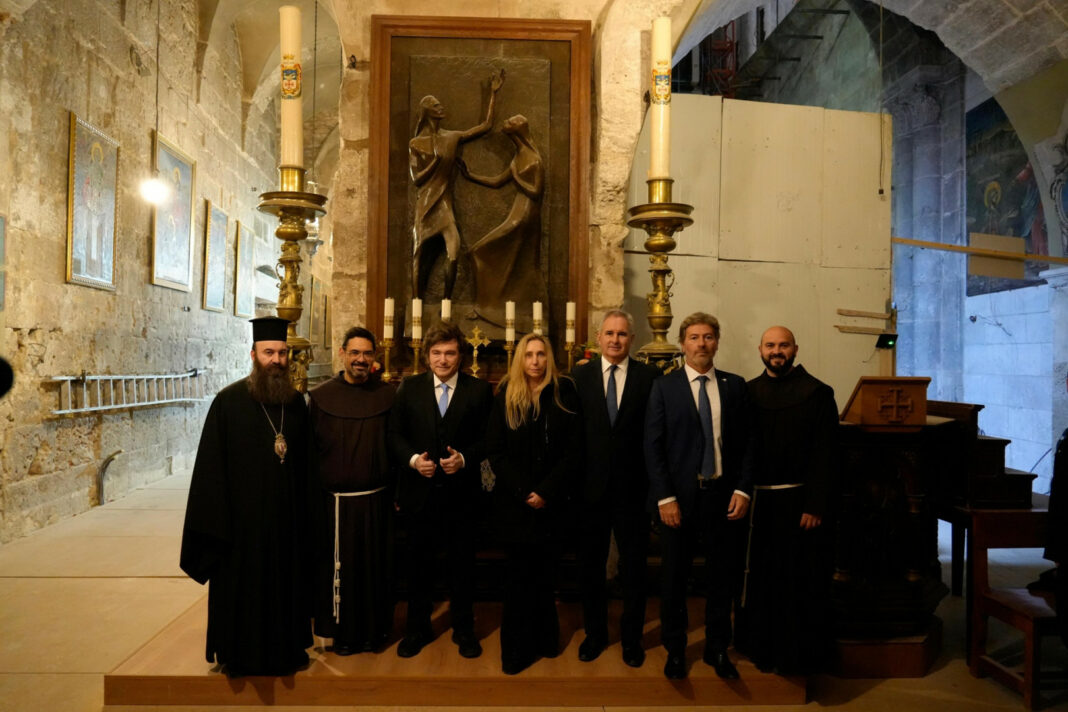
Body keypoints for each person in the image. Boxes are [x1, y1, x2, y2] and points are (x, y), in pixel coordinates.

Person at [180, 316, 311, 677]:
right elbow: (209, 470)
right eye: (269, 352)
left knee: (284, 589)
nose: (277, 360)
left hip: (285, 524)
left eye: (282, 353)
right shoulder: (229, 403)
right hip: (240, 528)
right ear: (253, 354)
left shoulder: (296, 404)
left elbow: (306, 465)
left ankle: (286, 651)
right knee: (244, 591)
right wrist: (218, 524)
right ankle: (239, 655)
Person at [645, 312, 755, 680]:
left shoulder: (735, 386)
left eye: (708, 337)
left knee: (721, 579)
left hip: (724, 498)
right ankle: (675, 650)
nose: (701, 344)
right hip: (680, 500)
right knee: (674, 579)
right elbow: (653, 446)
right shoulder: (665, 387)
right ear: (682, 344)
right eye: (694, 337)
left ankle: (717, 648)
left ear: (717, 342)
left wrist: (742, 488)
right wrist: (665, 498)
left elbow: (747, 444)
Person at [734, 326, 838, 674]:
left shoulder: (817, 393)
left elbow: (826, 455)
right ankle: (759, 649)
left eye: (783, 345)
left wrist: (815, 504)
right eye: (770, 345)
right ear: (760, 349)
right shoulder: (748, 393)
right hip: (758, 505)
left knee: (796, 584)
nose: (776, 351)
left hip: (798, 506)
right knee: (761, 581)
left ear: (795, 348)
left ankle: (794, 657)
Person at [389, 322, 493, 659]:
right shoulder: (409, 387)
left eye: (449, 353)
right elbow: (394, 436)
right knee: (418, 567)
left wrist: (464, 458)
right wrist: (413, 460)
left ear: (460, 356)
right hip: (419, 496)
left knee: (462, 568)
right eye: (437, 353)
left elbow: (489, 439)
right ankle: (417, 630)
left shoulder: (478, 391)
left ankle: (464, 630)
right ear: (427, 356)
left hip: (463, 497)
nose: (443, 360)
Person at [485, 333, 581, 675]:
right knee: (517, 580)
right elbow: (495, 452)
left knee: (544, 576)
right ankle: (515, 651)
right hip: (515, 504)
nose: (536, 361)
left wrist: (547, 492)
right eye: (529, 355)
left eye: (541, 354)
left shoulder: (564, 393)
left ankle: (545, 640)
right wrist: (526, 491)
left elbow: (573, 452)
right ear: (521, 360)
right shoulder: (505, 396)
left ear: (549, 358)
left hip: (552, 503)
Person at [571, 310, 659, 667]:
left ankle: (632, 639)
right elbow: (573, 436)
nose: (615, 340)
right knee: (590, 568)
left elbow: (654, 436)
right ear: (598, 336)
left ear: (632, 340)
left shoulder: (650, 377)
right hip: (589, 491)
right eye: (609, 333)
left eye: (622, 334)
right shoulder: (579, 376)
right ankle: (595, 635)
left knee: (635, 570)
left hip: (633, 491)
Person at [307, 327, 396, 655]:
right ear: (342, 353)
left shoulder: (387, 396)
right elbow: (310, 454)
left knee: (375, 571)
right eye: (355, 353)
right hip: (336, 506)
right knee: (341, 572)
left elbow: (395, 447)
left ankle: (375, 633)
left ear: (375, 357)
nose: (361, 359)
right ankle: (343, 636)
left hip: (377, 501)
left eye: (367, 353)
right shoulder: (320, 398)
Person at [409, 69, 504, 300]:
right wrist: (435, 164)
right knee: (419, 254)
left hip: (445, 206)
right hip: (426, 206)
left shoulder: (451, 138)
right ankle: (417, 306)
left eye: (440, 104)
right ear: (426, 112)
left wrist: (493, 94)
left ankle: (446, 305)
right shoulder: (416, 143)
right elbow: (417, 179)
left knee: (454, 249)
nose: (441, 108)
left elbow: (485, 126)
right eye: (435, 105)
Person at [459, 114, 548, 315]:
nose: (505, 123)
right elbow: (498, 181)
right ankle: (489, 305)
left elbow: (535, 191)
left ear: (518, 130)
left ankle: (486, 306)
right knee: (487, 255)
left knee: (480, 251)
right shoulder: (518, 156)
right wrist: (470, 176)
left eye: (511, 122)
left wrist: (516, 176)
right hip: (516, 213)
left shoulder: (534, 159)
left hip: (524, 216)